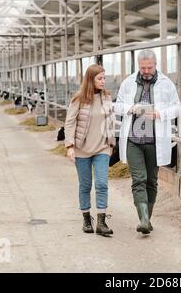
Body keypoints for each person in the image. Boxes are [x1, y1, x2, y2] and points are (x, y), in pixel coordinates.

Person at [115, 49, 180, 234]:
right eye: (142, 67)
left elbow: (177, 108)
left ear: (155, 64)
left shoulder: (166, 84)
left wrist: (160, 114)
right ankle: (143, 219)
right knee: (139, 180)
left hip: (155, 141)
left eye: (149, 67)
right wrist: (131, 108)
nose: (145, 71)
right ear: (138, 65)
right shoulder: (128, 83)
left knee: (151, 181)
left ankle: (147, 219)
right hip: (133, 140)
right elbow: (117, 106)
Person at [64, 64, 116, 236]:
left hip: (102, 147)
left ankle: (101, 221)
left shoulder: (106, 97)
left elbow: (111, 121)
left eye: (104, 78)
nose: (103, 81)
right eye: (100, 78)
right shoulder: (79, 99)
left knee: (102, 184)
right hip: (82, 149)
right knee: (85, 185)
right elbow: (70, 122)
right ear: (90, 79)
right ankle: (86, 218)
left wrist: (111, 142)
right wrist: (70, 146)